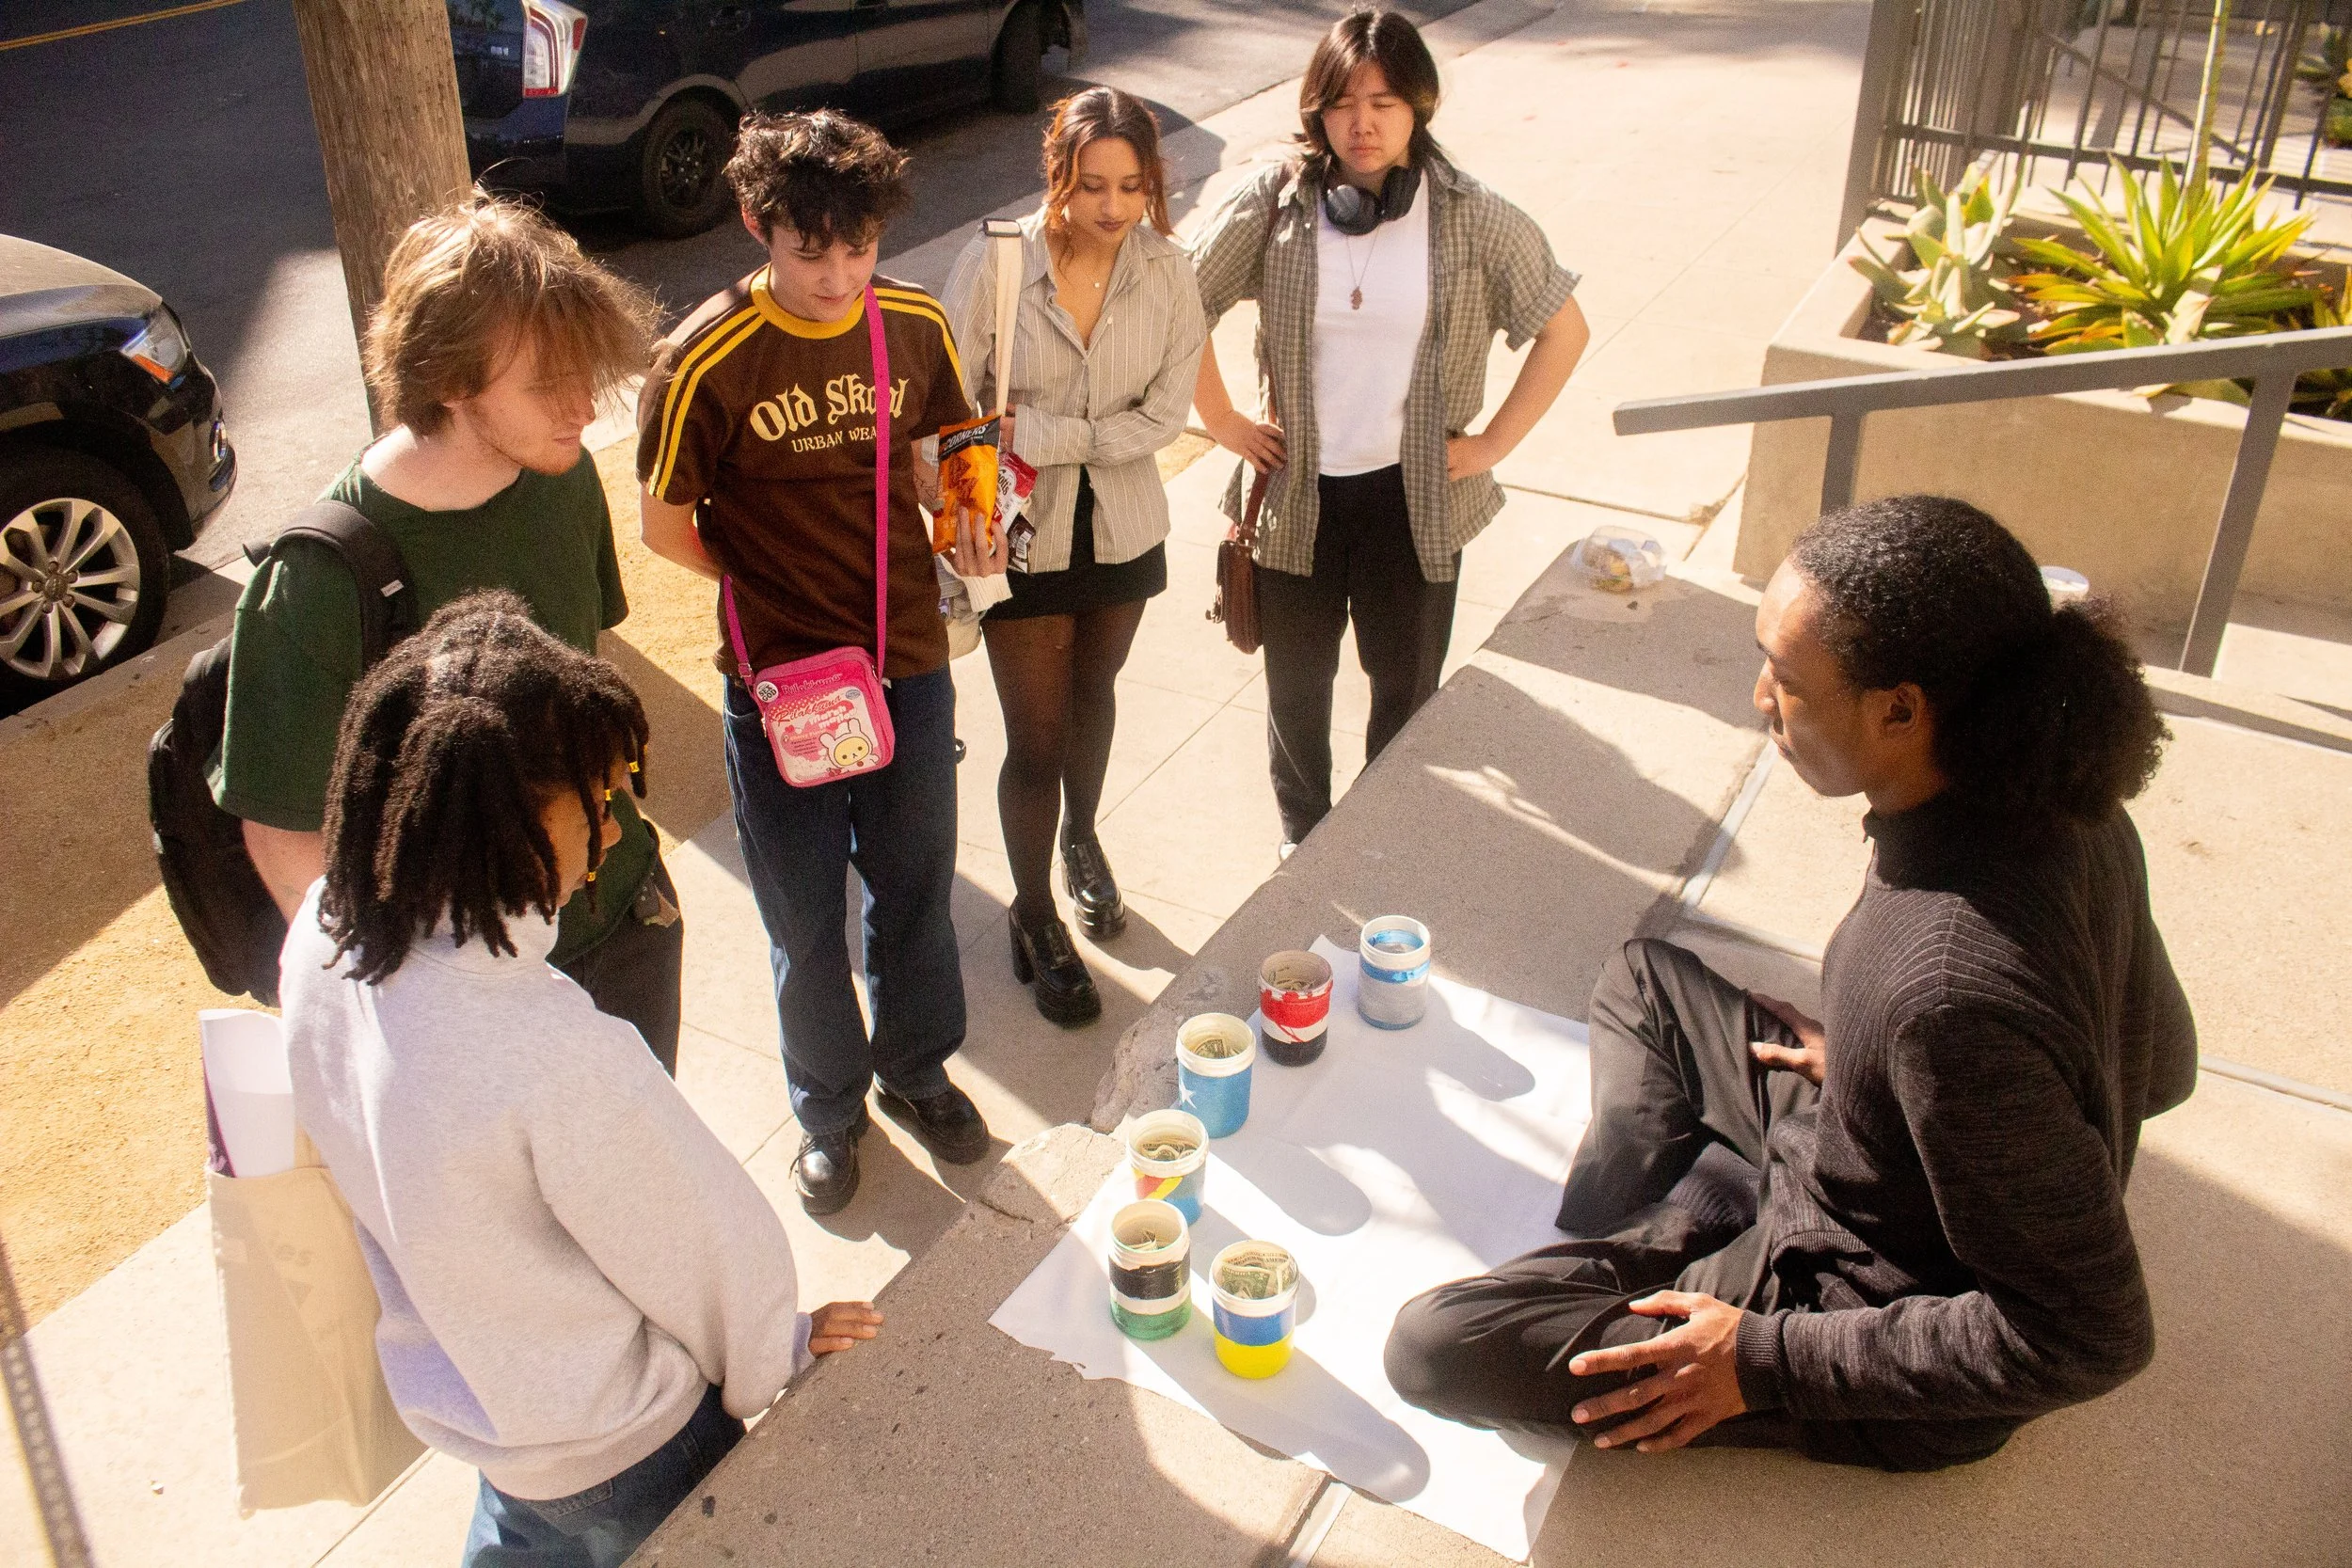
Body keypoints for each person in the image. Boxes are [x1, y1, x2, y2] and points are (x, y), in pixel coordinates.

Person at [1383, 497, 2198, 1471]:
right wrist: (1875, 1074)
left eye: (1786, 676)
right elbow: (2163, 1064)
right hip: (1847, 1142)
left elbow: (2086, 1333)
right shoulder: (2069, 808)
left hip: (1849, 1305)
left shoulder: (1944, 993)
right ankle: (1695, 1216)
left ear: (1899, 709)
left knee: (1435, 1346)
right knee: (1643, 975)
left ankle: (1698, 1236)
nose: (1759, 696)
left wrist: (1755, 1357)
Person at [282, 594, 882, 1568]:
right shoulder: (543, 1045)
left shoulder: (321, 933)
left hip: (500, 1433)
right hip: (631, 1448)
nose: (611, 833)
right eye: (594, 806)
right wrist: (781, 1342)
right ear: (503, 820)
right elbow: (702, 1244)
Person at [214, 195, 690, 1074]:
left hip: (624, 924)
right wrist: (393, 1015)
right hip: (466, 994)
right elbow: (285, 838)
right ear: (448, 379)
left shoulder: (566, 477)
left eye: (585, 369)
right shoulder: (320, 578)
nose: (586, 406)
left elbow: (591, 662)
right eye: (549, 382)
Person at [637, 110, 1000, 1215]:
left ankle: (918, 1067)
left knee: (915, 890)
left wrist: (971, 520)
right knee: (802, 918)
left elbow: (958, 443)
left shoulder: (914, 323)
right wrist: (766, 589)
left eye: (859, 246)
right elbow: (663, 526)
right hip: (784, 687)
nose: (838, 273)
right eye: (810, 250)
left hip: (909, 664)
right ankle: (828, 1108)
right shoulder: (705, 359)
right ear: (758, 223)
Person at [1188, 9, 1590, 851]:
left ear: (1420, 105)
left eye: (1383, 101)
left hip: (1413, 502)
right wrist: (1222, 421)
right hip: (1296, 495)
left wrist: (1487, 447)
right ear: (1315, 112)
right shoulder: (1276, 205)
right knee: (1295, 697)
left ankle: (1380, 838)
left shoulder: (1471, 215)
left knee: (1403, 695)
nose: (1361, 123)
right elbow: (1177, 302)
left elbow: (1564, 328)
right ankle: (1304, 843)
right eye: (1340, 102)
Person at [942, 87, 1208, 1026]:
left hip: (1125, 529)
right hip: (1016, 536)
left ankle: (1083, 841)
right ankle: (1033, 913)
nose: (1111, 206)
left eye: (1131, 186)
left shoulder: (1170, 273)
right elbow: (954, 405)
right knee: (1037, 733)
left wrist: (1046, 431)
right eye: (1092, 184)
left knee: (1096, 696)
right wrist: (967, 515)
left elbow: (1166, 418)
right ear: (1059, 175)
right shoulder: (997, 262)